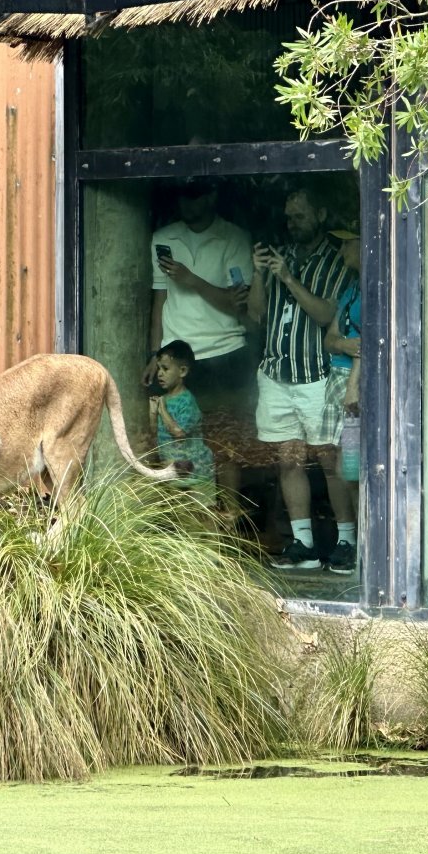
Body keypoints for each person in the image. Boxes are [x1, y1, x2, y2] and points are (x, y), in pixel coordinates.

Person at [246, 187, 355, 571]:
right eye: (288, 218)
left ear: (321, 214)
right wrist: (260, 274)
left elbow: (327, 315)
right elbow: (255, 315)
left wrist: (289, 279)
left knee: (330, 461)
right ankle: (303, 543)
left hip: (317, 374)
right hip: (276, 373)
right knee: (288, 460)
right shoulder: (280, 256)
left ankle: (347, 541)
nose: (292, 225)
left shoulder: (338, 259)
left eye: (300, 217)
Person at [143, 178, 254, 503]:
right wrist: (155, 354)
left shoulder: (233, 237)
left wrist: (191, 279)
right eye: (181, 195)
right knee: (172, 441)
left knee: (225, 442)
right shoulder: (163, 238)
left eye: (194, 195)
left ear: (212, 196)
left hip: (224, 352)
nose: (186, 202)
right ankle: (185, 525)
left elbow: (239, 305)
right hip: (177, 358)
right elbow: (159, 300)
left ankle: (229, 519)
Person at [322, 235, 363, 573]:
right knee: (342, 466)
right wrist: (345, 345)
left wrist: (353, 387)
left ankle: (365, 544)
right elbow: (330, 340)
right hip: (339, 383)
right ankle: (352, 541)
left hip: (356, 389)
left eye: (345, 244)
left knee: (351, 469)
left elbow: (364, 346)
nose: (340, 251)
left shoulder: (377, 288)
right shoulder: (352, 290)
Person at [149, 340, 215, 502]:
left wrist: (162, 410)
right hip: (174, 469)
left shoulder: (187, 401)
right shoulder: (163, 399)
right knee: (181, 516)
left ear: (182, 371)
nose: (159, 374)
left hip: (195, 470)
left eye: (165, 368)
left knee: (201, 512)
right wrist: (152, 413)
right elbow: (154, 433)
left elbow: (179, 433)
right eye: (158, 368)